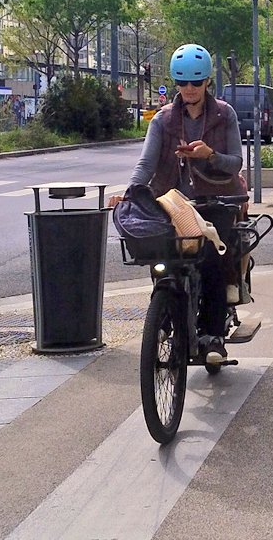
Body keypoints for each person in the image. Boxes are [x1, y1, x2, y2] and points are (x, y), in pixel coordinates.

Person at [108, 44, 246, 366]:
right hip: (173, 204)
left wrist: (209, 155)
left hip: (216, 201)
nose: (189, 90)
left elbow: (236, 163)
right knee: (162, 256)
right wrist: (131, 192)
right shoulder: (163, 120)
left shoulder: (225, 114)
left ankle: (213, 336)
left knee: (212, 257)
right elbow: (145, 165)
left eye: (196, 83)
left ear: (207, 83)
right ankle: (167, 310)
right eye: (182, 83)